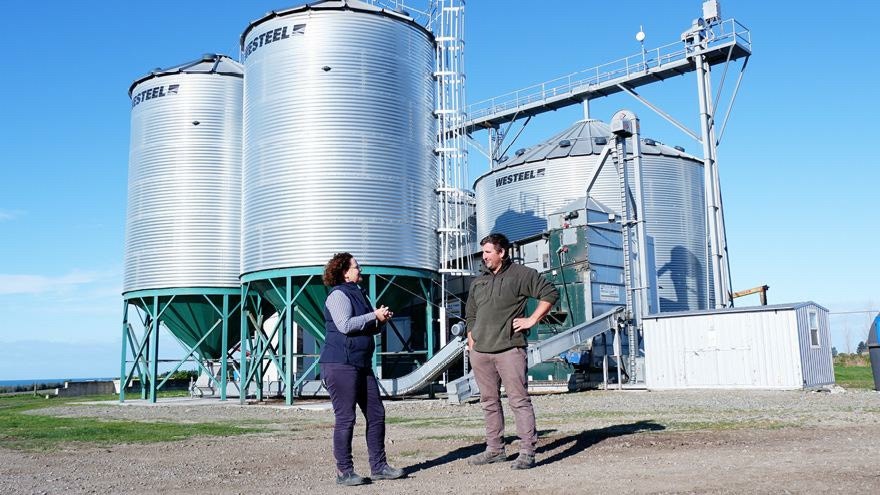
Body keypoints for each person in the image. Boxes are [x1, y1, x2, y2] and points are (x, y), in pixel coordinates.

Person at [465, 233, 560, 470]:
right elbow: (471, 313)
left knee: (519, 401)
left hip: (509, 349)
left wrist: (531, 320)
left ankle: (527, 451)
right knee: (489, 401)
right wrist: (471, 339)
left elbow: (550, 293)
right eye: (483, 252)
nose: (484, 257)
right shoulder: (479, 281)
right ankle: (495, 449)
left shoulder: (521, 274)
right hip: (481, 352)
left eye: (488, 252)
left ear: (501, 252)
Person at [320, 252, 406, 486]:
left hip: (360, 363)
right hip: (340, 364)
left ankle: (379, 467)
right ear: (345, 272)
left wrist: (380, 321)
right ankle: (344, 472)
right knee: (346, 418)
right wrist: (372, 315)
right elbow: (345, 326)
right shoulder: (338, 295)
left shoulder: (359, 293)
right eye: (356, 267)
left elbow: (366, 327)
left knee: (377, 414)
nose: (361, 270)